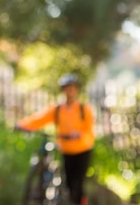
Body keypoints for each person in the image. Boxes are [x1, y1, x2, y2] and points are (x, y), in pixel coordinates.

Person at [15, 74, 94, 205]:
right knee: (69, 183)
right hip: (67, 150)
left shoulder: (84, 109)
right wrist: (21, 124)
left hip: (82, 150)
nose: (70, 91)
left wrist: (79, 135)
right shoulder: (57, 110)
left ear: (76, 90)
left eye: (72, 88)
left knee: (78, 182)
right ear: (63, 90)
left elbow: (90, 131)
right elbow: (38, 119)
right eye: (67, 88)